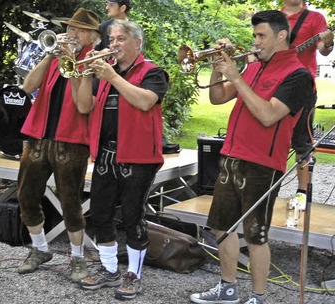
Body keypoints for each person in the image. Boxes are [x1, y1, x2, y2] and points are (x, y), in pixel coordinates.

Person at [190, 10, 314, 304]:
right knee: (221, 226)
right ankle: (228, 287)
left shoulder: (297, 75)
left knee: (256, 234)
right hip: (232, 155)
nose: (255, 42)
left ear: (281, 35)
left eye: (261, 36)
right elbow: (218, 97)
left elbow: (268, 115)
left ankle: (258, 297)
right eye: (254, 36)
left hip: (262, 164)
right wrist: (220, 69)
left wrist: (236, 74)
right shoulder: (257, 67)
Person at [74, 20, 169, 300]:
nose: (112, 45)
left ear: (137, 43)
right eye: (110, 40)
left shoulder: (153, 72)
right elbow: (82, 106)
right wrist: (82, 73)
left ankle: (134, 274)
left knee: (132, 216)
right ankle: (109, 269)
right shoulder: (104, 73)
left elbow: (144, 101)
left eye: (119, 39)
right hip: (106, 153)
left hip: (139, 156)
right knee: (101, 213)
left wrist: (112, 77)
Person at [15, 8, 101, 283]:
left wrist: (70, 61)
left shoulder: (94, 59)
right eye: (71, 29)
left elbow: (83, 105)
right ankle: (40, 248)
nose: (73, 34)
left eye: (80, 30)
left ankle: (77, 257)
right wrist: (49, 56)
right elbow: (27, 87)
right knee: (26, 194)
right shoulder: (55, 56)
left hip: (72, 139)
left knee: (70, 201)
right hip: (39, 135)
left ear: (92, 37)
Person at [281, 0, 333, 211]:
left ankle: (302, 192)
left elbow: (323, 49)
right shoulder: (274, 17)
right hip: (275, 84)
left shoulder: (315, 19)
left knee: (302, 141)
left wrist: (328, 42)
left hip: (303, 87)